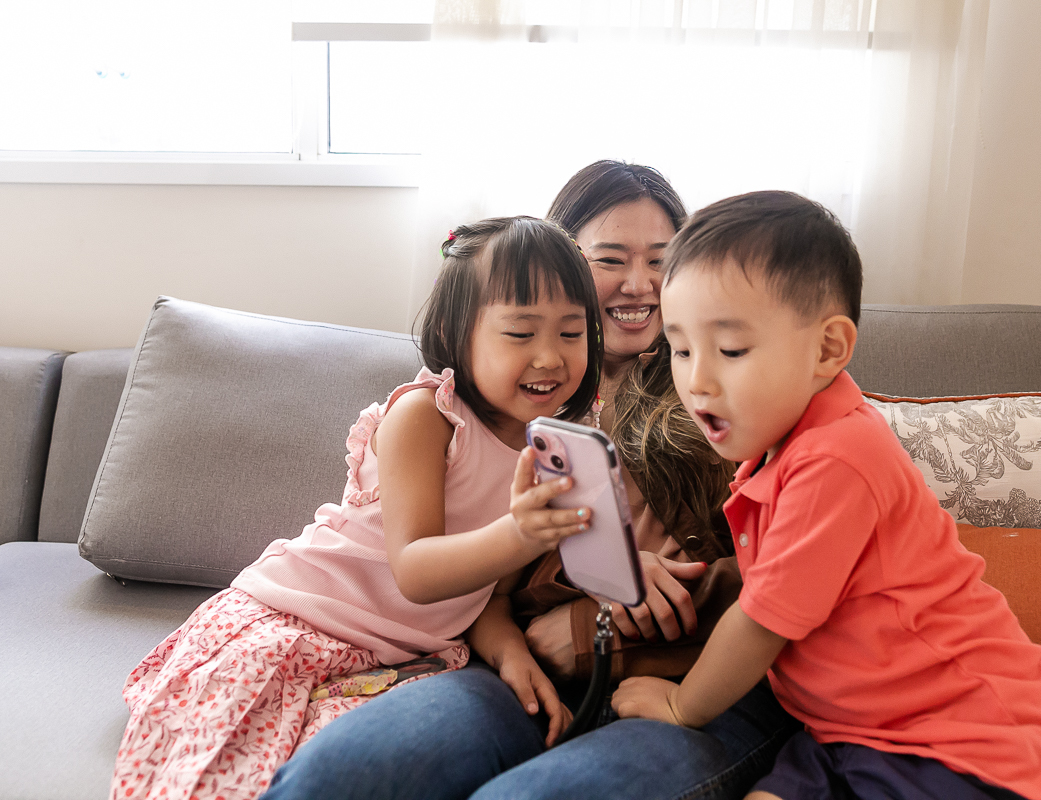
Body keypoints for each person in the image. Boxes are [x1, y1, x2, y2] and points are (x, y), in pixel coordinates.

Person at [261, 164, 800, 800]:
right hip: (521, 667)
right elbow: (478, 581)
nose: (640, 283)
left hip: (697, 682)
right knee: (340, 776)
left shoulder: (734, 377)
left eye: (662, 260)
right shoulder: (503, 403)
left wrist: (592, 615)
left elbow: (800, 565)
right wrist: (532, 626)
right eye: (610, 259)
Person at [611, 190, 1041, 800]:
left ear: (828, 350)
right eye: (682, 350)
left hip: (966, 740)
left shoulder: (838, 456)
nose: (697, 380)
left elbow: (762, 622)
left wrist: (683, 706)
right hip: (847, 734)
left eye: (731, 350)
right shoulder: (773, 448)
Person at [108, 216, 604, 800]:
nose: (550, 356)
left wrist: (511, 652)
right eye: (521, 333)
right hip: (297, 621)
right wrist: (519, 534)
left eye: (572, 332)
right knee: (221, 778)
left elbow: (487, 596)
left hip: (391, 659)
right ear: (456, 332)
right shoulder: (430, 416)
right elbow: (416, 568)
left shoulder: (558, 445)